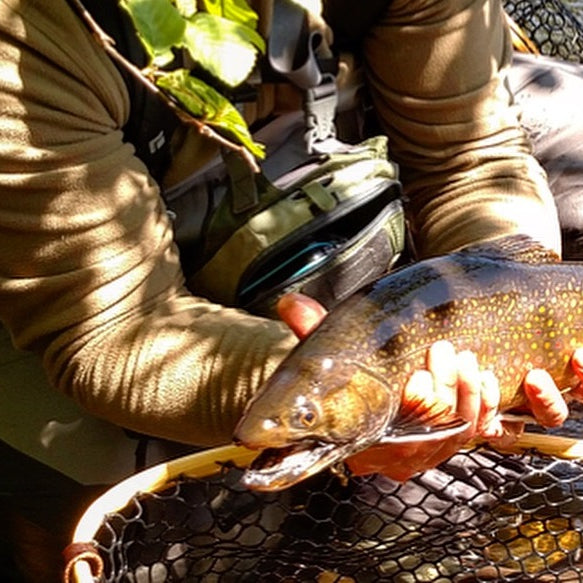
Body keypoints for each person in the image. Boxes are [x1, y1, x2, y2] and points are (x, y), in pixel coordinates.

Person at [1, 0, 583, 580]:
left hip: (338, 189)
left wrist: (524, 313)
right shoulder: (24, 41)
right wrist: (326, 392)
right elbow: (110, 329)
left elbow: (470, 157)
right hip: (101, 293)